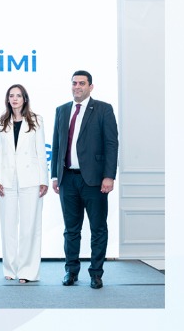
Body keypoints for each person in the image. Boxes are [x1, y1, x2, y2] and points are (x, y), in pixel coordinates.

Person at [51, 70, 119, 289]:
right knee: (71, 230)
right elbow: (56, 144)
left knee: (98, 229)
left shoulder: (103, 109)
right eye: (74, 83)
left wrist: (109, 176)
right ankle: (71, 271)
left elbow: (111, 144)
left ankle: (96, 274)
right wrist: (55, 175)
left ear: (91, 86)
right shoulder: (62, 110)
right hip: (67, 179)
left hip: (95, 181)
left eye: (82, 83)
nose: (77, 87)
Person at [0, 84, 48, 284]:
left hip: (31, 179)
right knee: (8, 226)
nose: (14, 99)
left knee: (30, 227)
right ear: (7, 99)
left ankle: (28, 271)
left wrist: (43, 179)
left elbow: (41, 151)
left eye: (18, 95)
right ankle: (10, 268)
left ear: (25, 99)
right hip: (6, 179)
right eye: (11, 95)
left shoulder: (36, 120)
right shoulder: (0, 121)